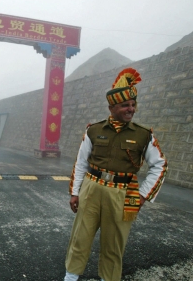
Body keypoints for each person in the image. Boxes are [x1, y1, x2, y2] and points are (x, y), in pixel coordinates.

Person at [63, 68, 168, 281]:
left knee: (114, 244)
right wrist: (75, 193)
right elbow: (81, 162)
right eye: (125, 105)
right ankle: (70, 278)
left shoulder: (143, 134)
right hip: (91, 189)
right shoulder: (93, 130)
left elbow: (160, 165)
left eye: (133, 105)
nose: (131, 109)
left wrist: (142, 195)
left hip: (123, 194)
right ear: (111, 107)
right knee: (80, 238)